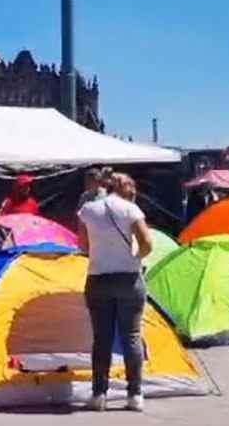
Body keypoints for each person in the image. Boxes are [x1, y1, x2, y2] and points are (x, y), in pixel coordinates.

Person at [77, 172, 154, 412]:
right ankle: (135, 395)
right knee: (131, 336)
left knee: (102, 339)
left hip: (98, 278)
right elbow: (147, 243)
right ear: (123, 188)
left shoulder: (87, 210)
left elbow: (83, 245)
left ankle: (99, 395)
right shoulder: (131, 210)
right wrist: (134, 258)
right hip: (129, 279)